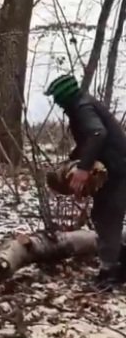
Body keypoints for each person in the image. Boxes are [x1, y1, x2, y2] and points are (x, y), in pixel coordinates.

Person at [44, 74, 126, 290]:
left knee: (108, 216)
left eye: (56, 98)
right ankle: (120, 263)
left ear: (64, 96)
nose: (56, 103)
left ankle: (109, 273)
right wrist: (71, 162)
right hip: (114, 168)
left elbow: (97, 134)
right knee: (102, 215)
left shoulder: (82, 107)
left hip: (118, 169)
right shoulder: (82, 104)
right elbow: (88, 140)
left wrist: (83, 168)